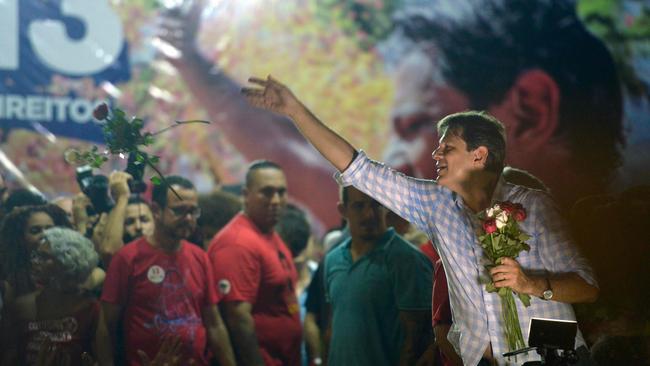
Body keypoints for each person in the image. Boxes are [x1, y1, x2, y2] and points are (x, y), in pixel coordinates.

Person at [159, 0, 622, 229]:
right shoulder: (447, 220)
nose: (400, 157)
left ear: (530, 110)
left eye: (423, 127)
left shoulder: (600, 247)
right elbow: (335, 166)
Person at [241, 76, 599, 365]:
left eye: (447, 148)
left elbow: (587, 285)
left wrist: (530, 283)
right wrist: (295, 111)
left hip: (554, 357)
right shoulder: (436, 205)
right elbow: (358, 169)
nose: (435, 153)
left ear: (479, 155)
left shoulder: (533, 205)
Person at [100, 176, 236, 366]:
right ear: (156, 210)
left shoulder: (200, 257)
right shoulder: (128, 258)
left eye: (193, 211)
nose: (188, 218)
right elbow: (106, 327)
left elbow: (214, 323)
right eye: (179, 211)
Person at [324, 186, 433, 366]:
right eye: (359, 206)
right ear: (343, 210)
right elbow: (333, 326)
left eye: (376, 205)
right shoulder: (333, 259)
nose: (369, 215)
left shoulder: (408, 260)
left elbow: (417, 339)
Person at [208, 160, 302, 366]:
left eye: (281, 192)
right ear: (245, 194)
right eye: (267, 192)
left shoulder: (268, 233)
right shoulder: (237, 243)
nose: (276, 200)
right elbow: (237, 320)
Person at [1, 227, 112, 366]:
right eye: (36, 255)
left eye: (44, 257)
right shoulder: (20, 307)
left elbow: (105, 360)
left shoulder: (90, 309)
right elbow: (7, 359)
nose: (35, 261)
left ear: (66, 261)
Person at [0, 205, 72, 297]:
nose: (45, 234)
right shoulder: (8, 282)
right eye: (35, 231)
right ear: (20, 238)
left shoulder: (65, 271)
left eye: (50, 229)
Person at [96, 171, 154, 266]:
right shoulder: (124, 258)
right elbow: (109, 251)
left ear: (155, 221)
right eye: (130, 222)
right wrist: (122, 197)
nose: (138, 227)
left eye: (144, 220)